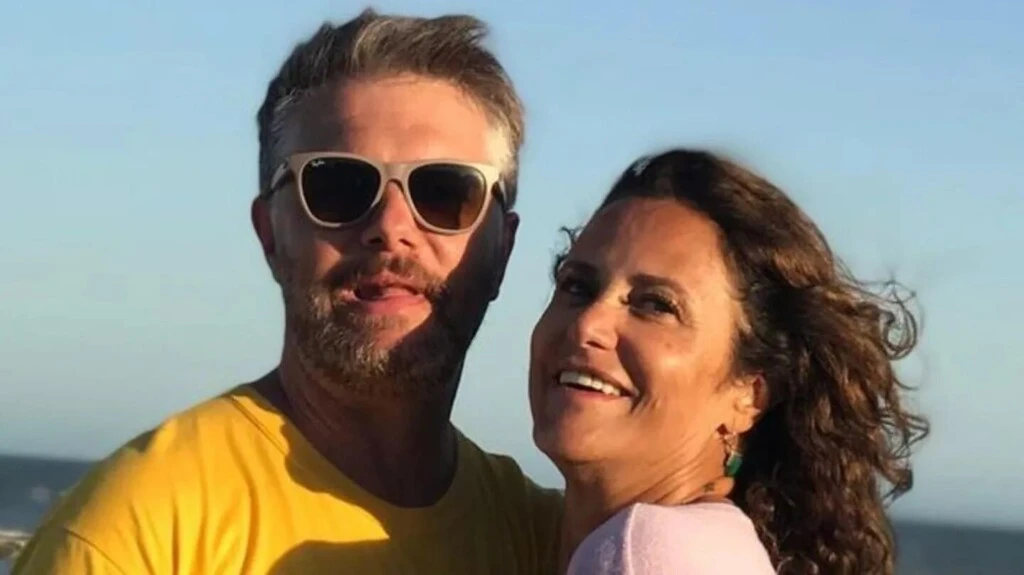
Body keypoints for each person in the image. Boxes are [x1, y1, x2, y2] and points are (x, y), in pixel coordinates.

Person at [13, 9, 562, 575]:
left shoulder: (550, 544)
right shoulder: (137, 535)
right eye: (338, 186)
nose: (390, 226)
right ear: (270, 233)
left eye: (444, 192)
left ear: (502, 248)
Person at [529, 148, 929, 574]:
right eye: (577, 286)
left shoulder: (645, 553)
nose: (588, 323)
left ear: (749, 395)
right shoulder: (706, 549)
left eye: (656, 305)